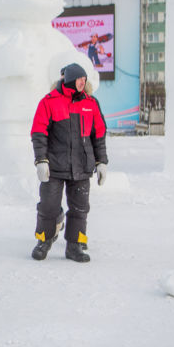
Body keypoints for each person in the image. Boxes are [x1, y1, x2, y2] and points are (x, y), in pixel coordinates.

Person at [30, 62, 108, 263]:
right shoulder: (49, 102)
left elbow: (98, 135)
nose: (84, 83)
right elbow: (39, 133)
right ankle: (44, 240)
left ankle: (75, 245)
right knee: (48, 205)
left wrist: (101, 162)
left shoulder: (91, 103)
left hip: (81, 166)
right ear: (71, 81)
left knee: (80, 207)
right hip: (55, 165)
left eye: (85, 80)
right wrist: (41, 160)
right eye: (80, 79)